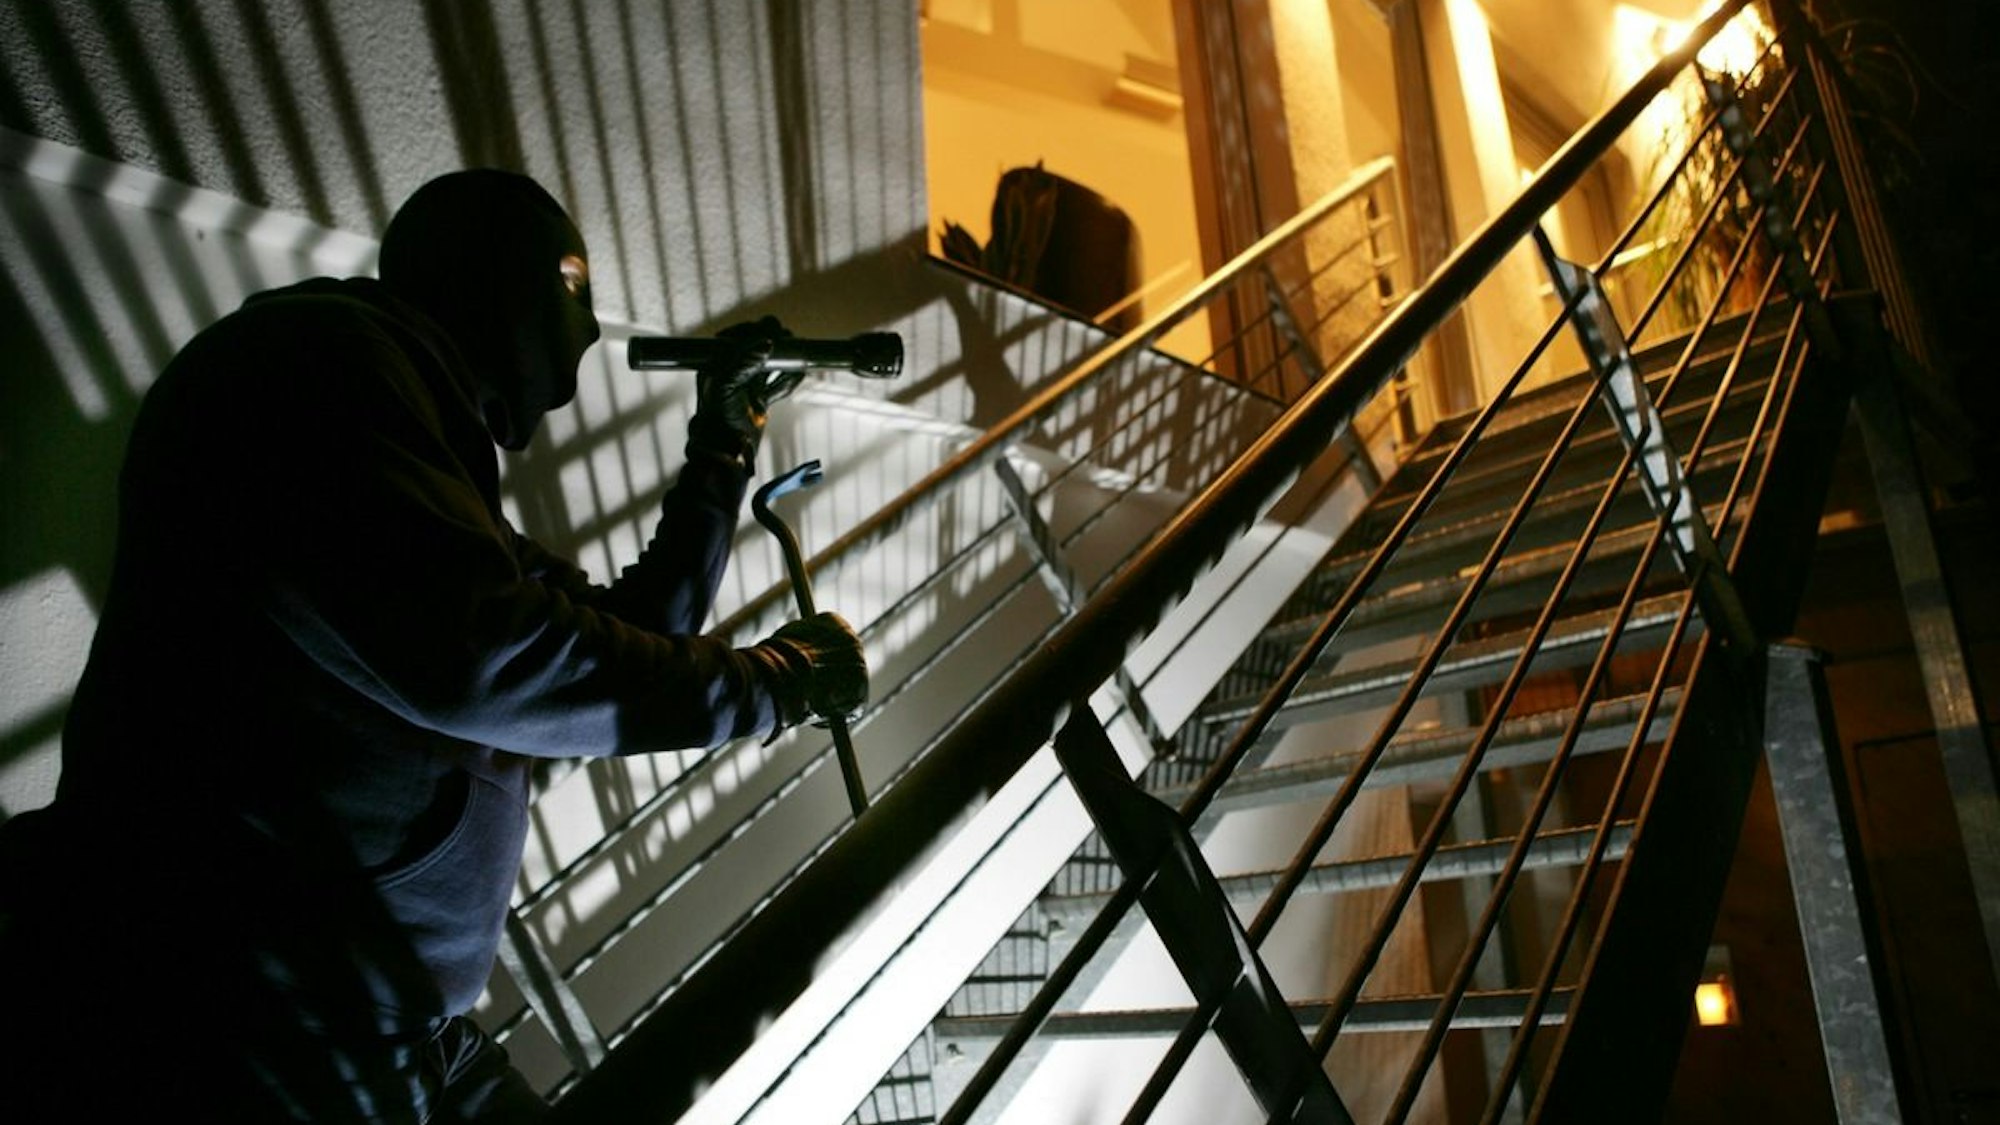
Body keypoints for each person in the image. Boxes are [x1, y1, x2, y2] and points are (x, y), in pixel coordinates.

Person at [0, 169, 867, 1122]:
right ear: (491, 275)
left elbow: (629, 641)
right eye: (572, 287)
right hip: (240, 1013)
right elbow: (489, 660)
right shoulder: (311, 364)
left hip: (384, 1015)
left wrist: (725, 441)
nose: (587, 333)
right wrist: (776, 682)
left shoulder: (424, 470)